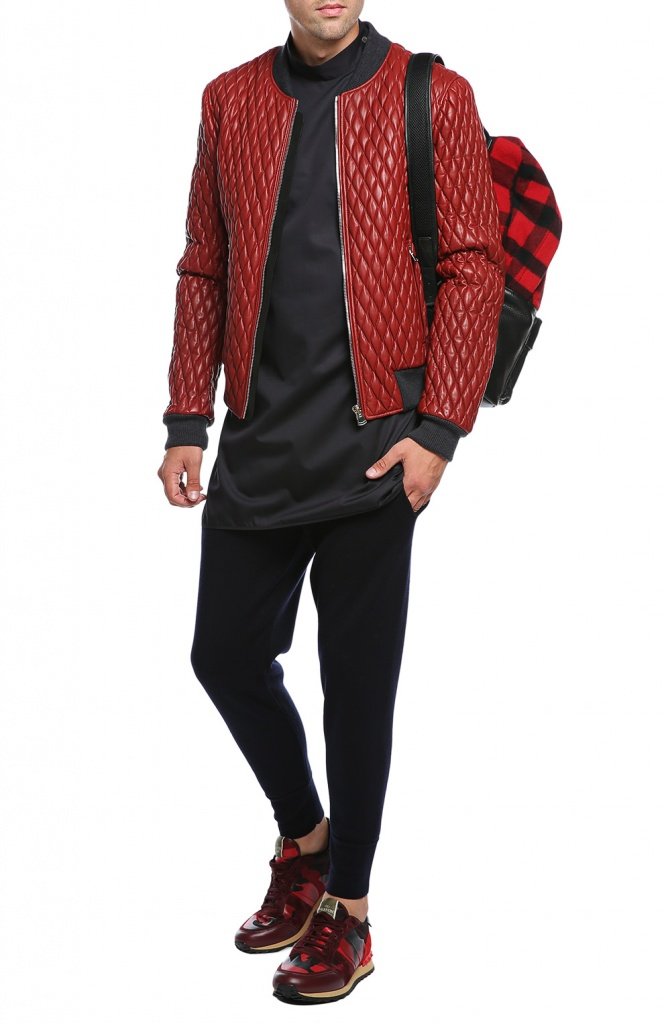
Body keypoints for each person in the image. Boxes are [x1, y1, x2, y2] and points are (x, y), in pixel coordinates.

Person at [157, 0, 505, 1005]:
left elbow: (473, 266)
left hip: (376, 450)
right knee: (223, 654)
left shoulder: (432, 94)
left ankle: (348, 908)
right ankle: (305, 840)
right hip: (259, 441)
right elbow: (204, 264)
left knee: (357, 688)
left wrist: (438, 432)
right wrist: (186, 418)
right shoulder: (229, 101)